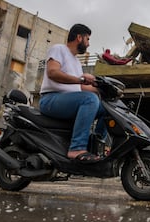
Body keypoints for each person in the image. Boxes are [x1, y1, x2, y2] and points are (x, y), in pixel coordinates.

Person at [39, 24, 106, 163]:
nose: (88, 44)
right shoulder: (59, 49)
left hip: (69, 101)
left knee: (106, 108)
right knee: (90, 100)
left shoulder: (76, 62)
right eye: (87, 39)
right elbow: (53, 73)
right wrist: (80, 79)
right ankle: (77, 148)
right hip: (50, 99)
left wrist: (103, 90)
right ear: (79, 37)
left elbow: (80, 87)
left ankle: (96, 147)